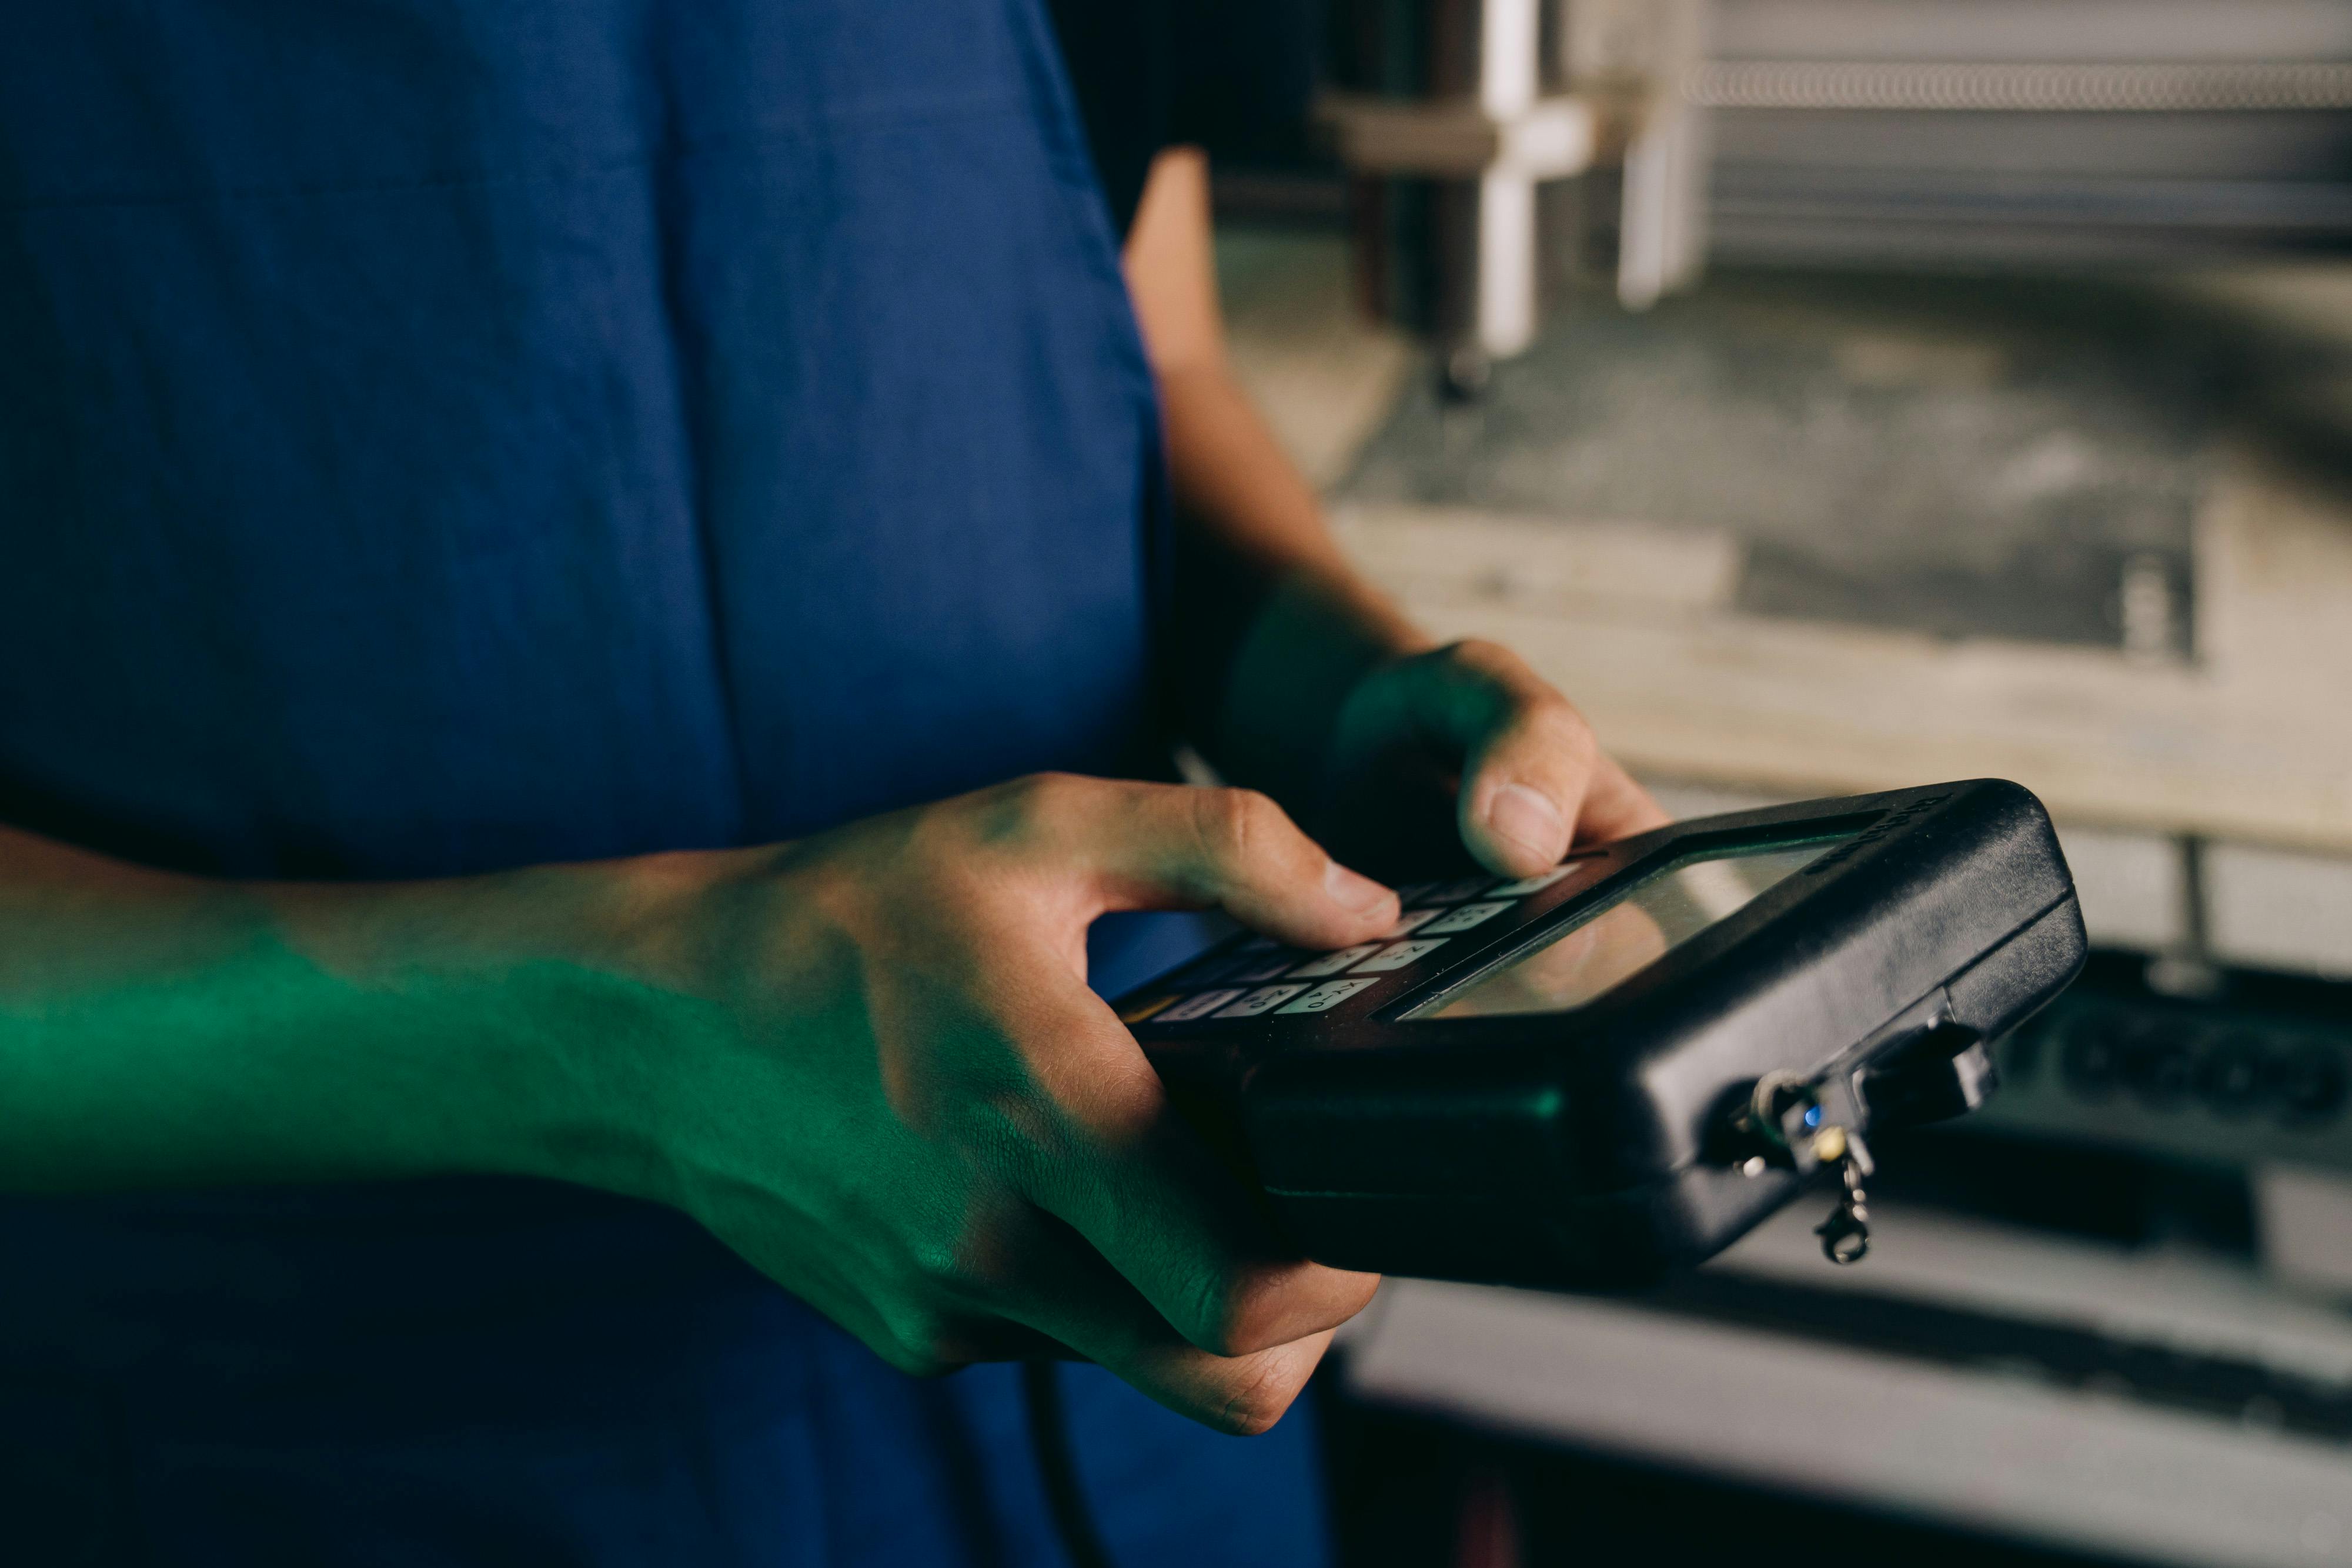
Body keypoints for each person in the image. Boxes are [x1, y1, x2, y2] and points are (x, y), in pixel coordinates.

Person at [0, 1, 1662, 1562]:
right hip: (330, 1442)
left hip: (1121, 1372)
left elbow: (1152, 361)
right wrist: (621, 1019)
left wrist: (1332, 679)